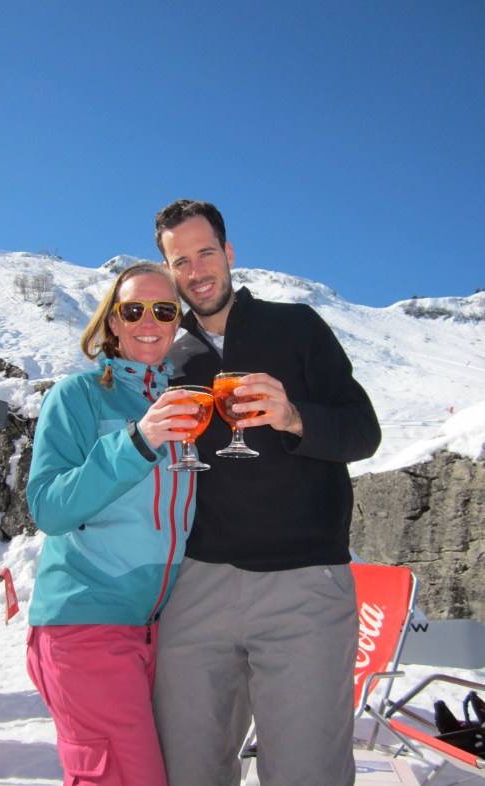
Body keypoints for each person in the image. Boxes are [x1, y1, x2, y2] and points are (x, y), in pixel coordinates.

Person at [151, 200, 382, 786]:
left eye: (206, 253)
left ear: (229, 255)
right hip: (196, 586)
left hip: (302, 585)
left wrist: (295, 417)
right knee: (188, 768)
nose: (197, 271)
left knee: (307, 772)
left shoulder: (297, 326)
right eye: (181, 261)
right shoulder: (168, 355)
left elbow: (363, 431)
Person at [26, 261, 202, 786]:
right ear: (112, 323)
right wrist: (137, 441)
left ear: (176, 324)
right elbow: (49, 507)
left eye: (163, 309)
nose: (149, 320)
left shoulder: (190, 403)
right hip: (85, 624)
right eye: (133, 309)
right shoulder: (77, 397)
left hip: (159, 633)